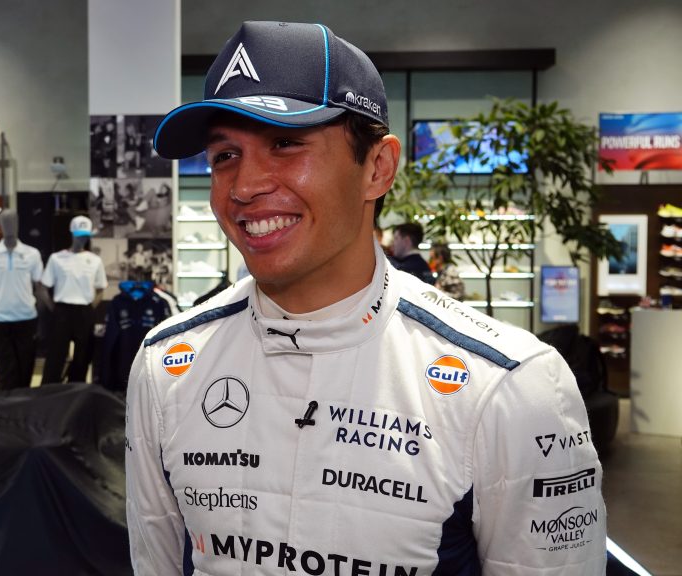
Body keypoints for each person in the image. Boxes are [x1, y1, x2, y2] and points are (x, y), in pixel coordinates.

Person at [126, 20, 605, 575]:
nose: (243, 186)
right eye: (224, 155)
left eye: (285, 143)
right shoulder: (165, 365)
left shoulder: (509, 386)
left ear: (377, 168)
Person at [0, 210, 48, 390]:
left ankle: (25, 409)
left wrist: (46, 318)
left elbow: (40, 289)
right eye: (5, 221)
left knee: (26, 369)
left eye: (13, 221)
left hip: (26, 319)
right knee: (4, 371)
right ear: (0, 225)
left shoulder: (32, 254)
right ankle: (7, 411)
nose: (9, 225)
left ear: (18, 223)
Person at [40, 215, 107, 384]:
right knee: (56, 355)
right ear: (72, 234)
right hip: (62, 309)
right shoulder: (57, 258)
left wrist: (90, 307)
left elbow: (100, 289)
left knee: (82, 356)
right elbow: (43, 288)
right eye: (78, 235)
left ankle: (77, 390)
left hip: (84, 310)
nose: (81, 239)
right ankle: (50, 391)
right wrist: (54, 308)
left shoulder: (94, 260)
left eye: (84, 235)